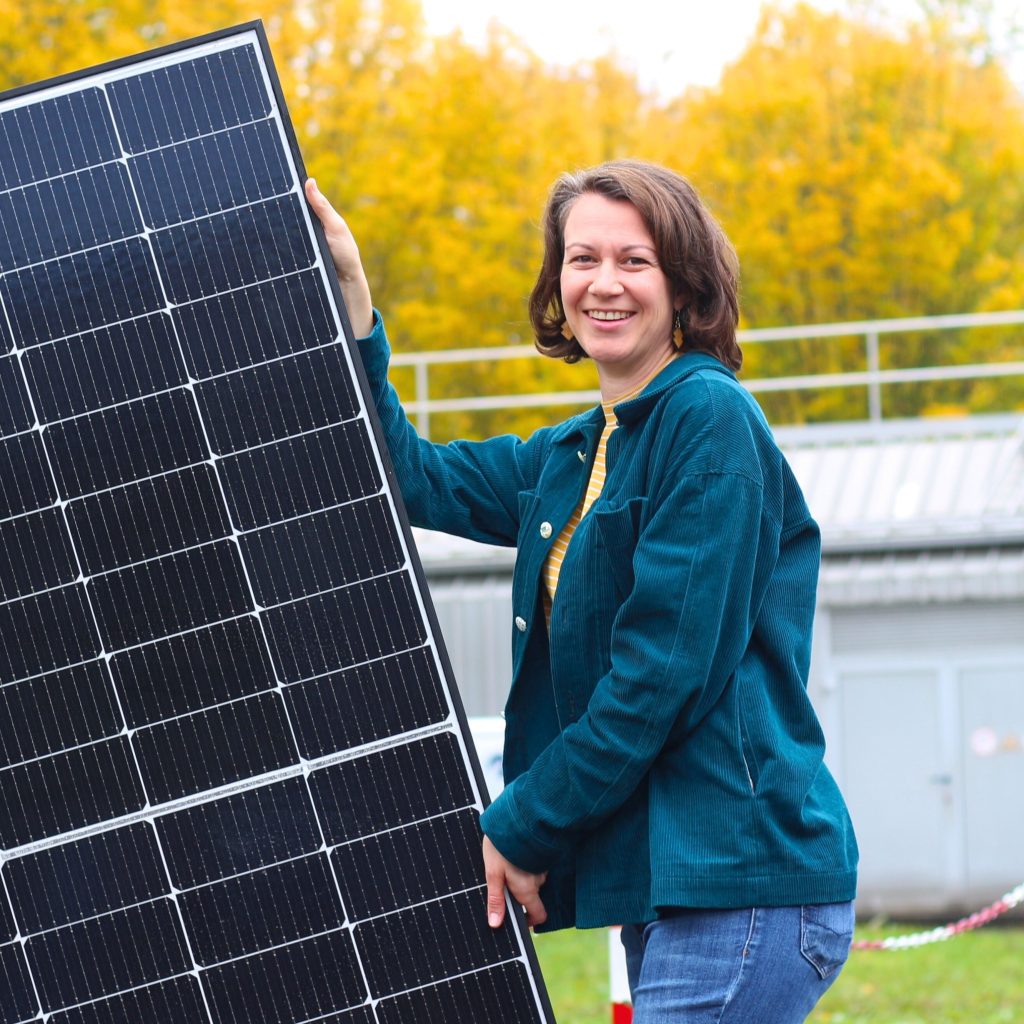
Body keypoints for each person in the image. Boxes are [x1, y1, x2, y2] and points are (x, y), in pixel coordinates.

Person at [305, 160, 858, 1023]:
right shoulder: (572, 452)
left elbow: (658, 678)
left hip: (739, 884)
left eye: (634, 261)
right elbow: (407, 477)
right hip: (666, 891)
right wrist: (353, 306)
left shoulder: (709, 422)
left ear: (685, 284)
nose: (604, 284)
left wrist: (522, 821)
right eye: (581, 259)